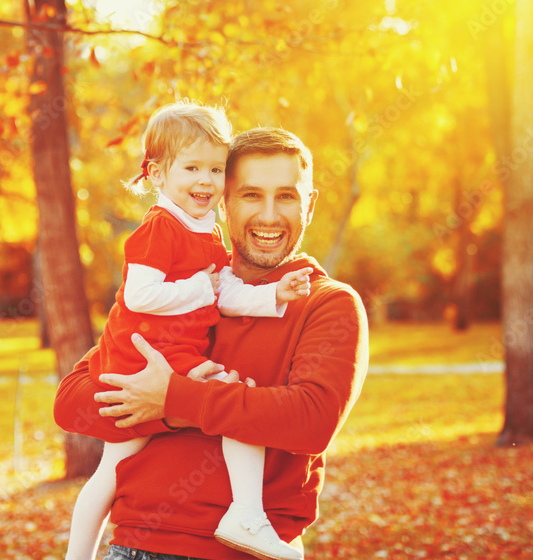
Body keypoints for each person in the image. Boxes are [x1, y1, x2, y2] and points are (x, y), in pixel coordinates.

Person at [55, 127, 369, 560]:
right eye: (251, 195)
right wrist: (163, 406)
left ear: (309, 205)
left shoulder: (328, 304)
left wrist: (174, 399)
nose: (269, 215)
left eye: (287, 196)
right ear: (223, 201)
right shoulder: (185, 288)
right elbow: (72, 400)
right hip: (132, 547)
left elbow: (310, 421)